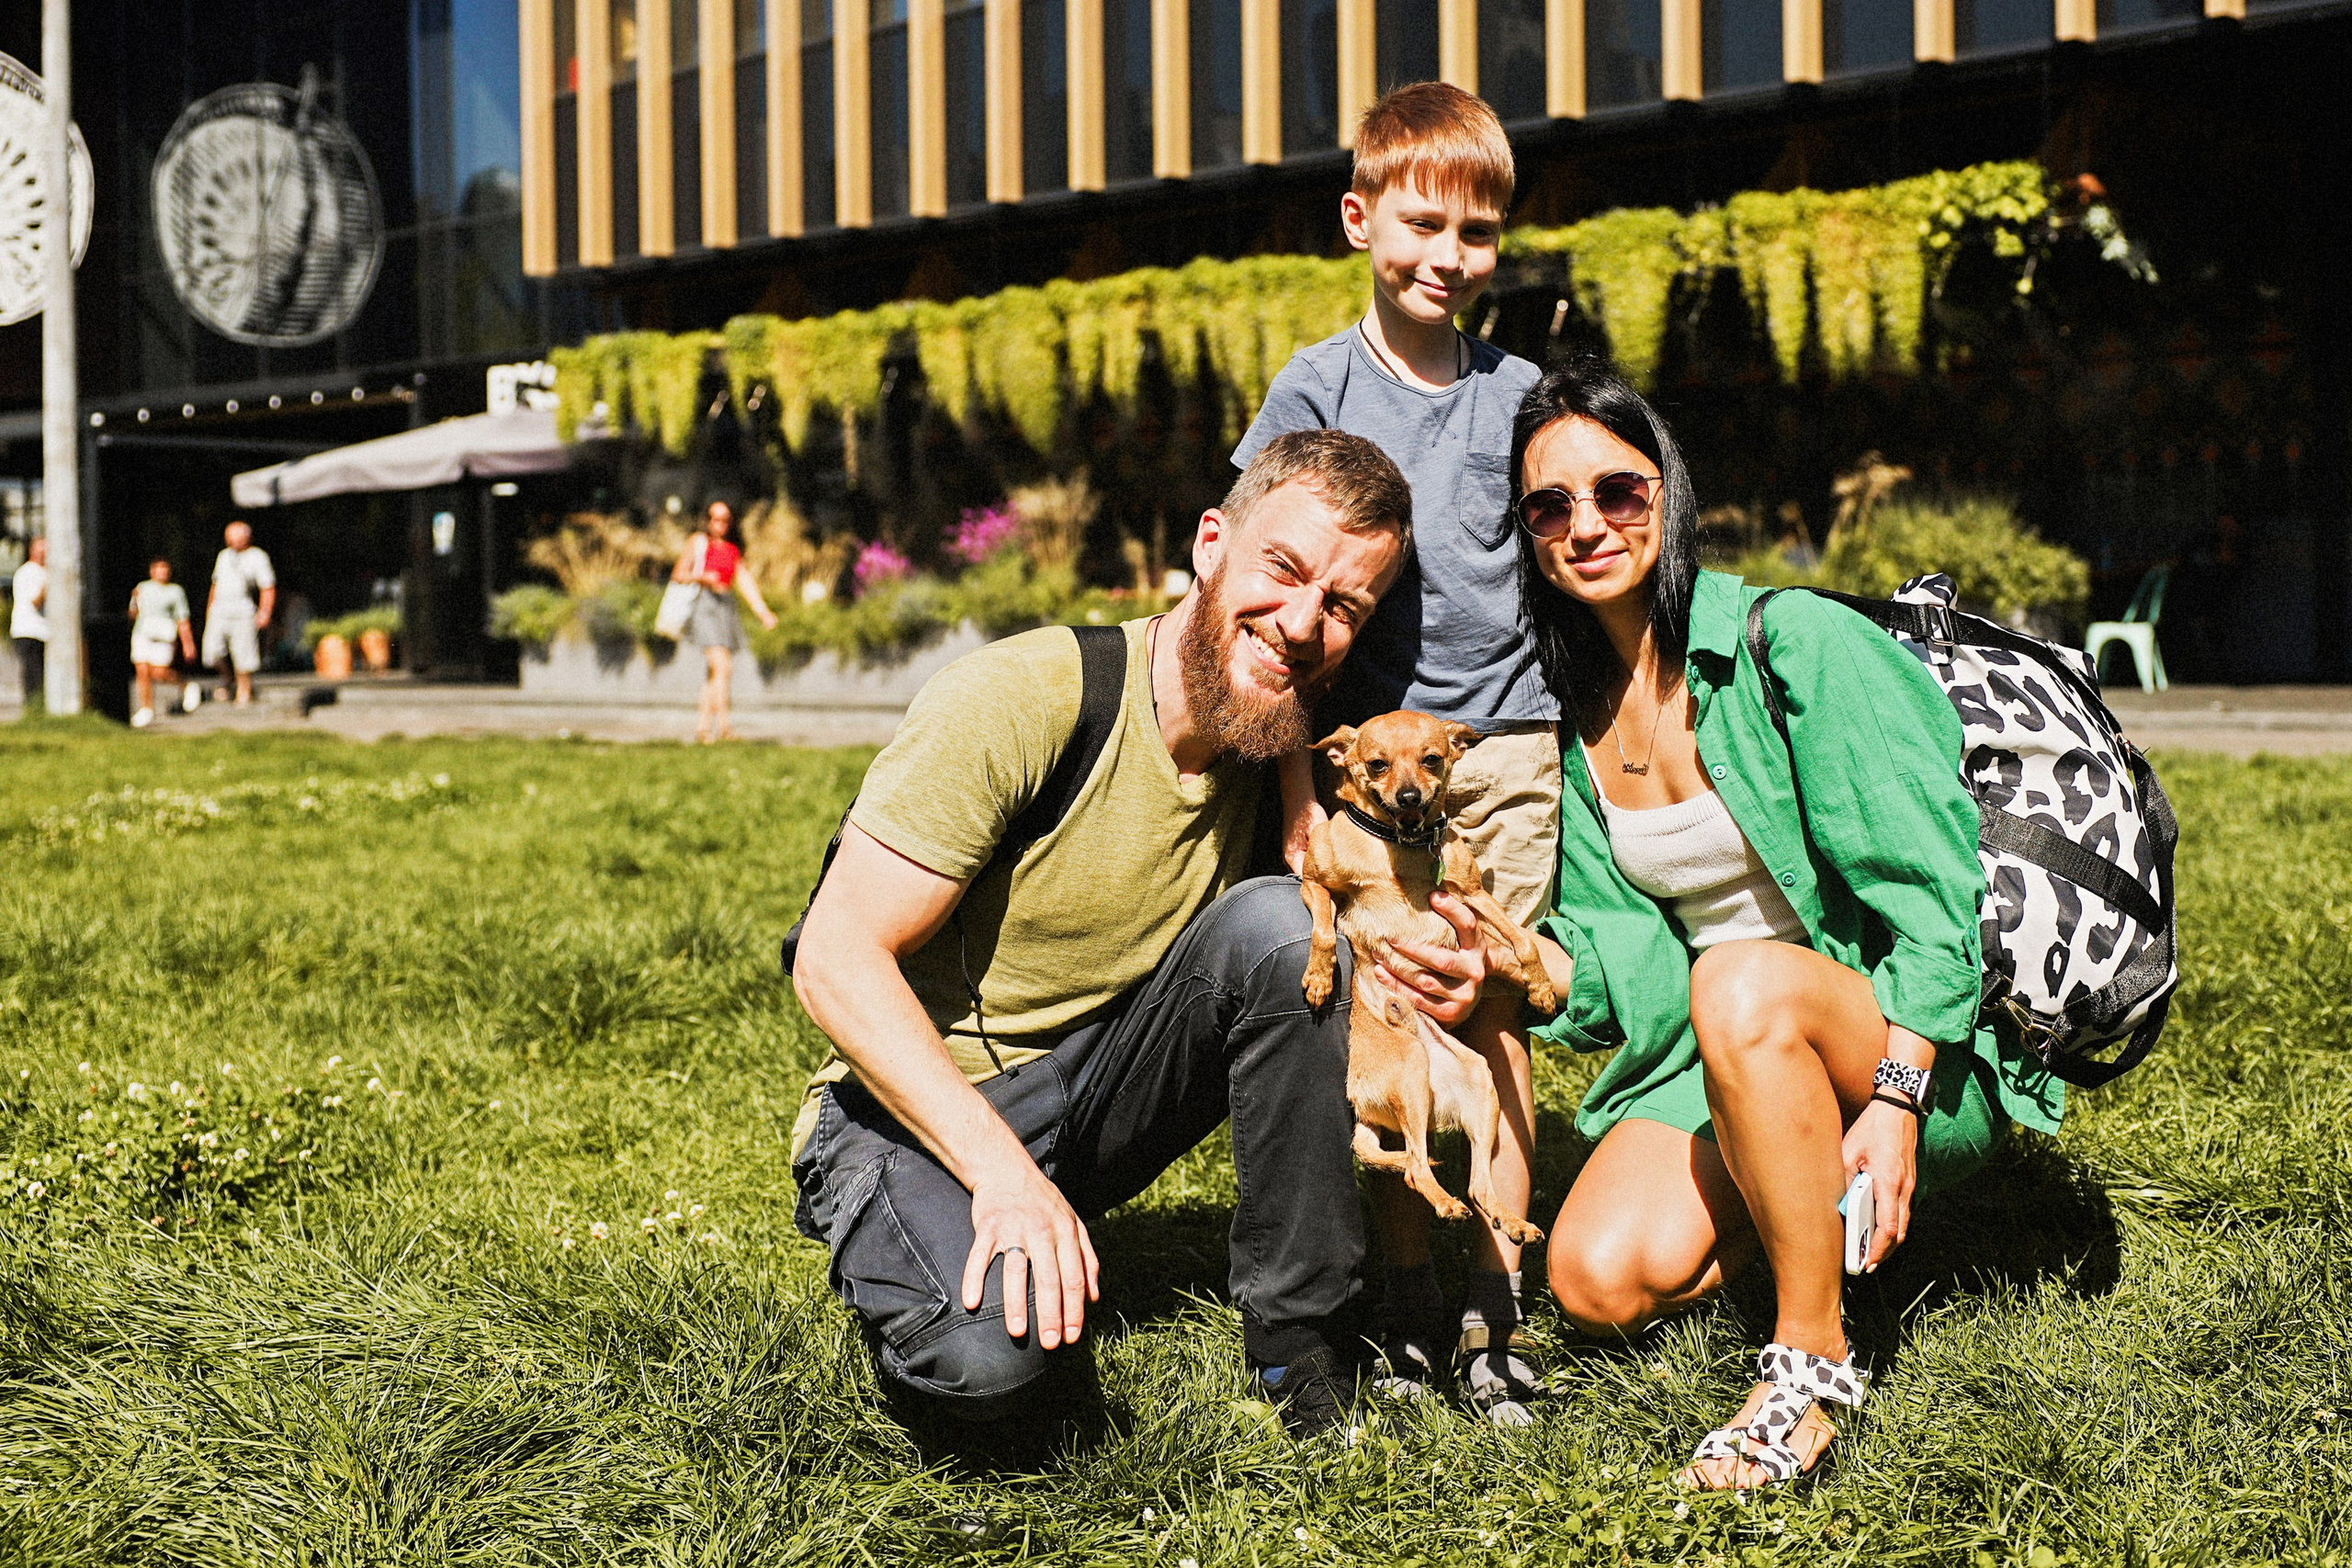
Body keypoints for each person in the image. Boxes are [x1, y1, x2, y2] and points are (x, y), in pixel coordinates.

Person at [1487, 358, 2063, 1487]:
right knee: (1593, 1281)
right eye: (1549, 506)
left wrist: (1896, 1101)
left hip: (1900, 1046)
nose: (1586, 525)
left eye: (1618, 491)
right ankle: (1787, 1195)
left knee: (1741, 979)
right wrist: (1517, 963)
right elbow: (1634, 964)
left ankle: (1810, 1357)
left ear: (1669, 493)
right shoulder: (1578, 723)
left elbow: (1936, 900)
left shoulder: (1787, 641)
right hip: (1730, 1048)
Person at [789, 431, 1411, 1438]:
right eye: (1282, 570)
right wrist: (999, 1173)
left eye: (1342, 607)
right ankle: (931, 1232)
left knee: (1279, 929)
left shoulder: (1272, 748)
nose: (1301, 623)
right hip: (910, 1110)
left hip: (1097, 1095)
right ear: (1211, 543)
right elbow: (832, 958)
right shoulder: (1024, 697)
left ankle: (1305, 1348)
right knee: (995, 1366)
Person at [1229, 80, 1554, 1424]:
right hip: (1363, 775)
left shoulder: (1521, 390)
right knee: (1387, 1015)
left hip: (1507, 752)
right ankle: (1409, 1294)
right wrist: (1303, 798)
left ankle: (1497, 1308)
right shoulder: (1319, 383)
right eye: (1423, 222)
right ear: (1361, 219)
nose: (1448, 256)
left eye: (1477, 233)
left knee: (1484, 1006)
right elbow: (1264, 578)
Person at [672, 500, 778, 743]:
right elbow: (678, 573)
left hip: (725, 608)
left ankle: (703, 728)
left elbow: (745, 582)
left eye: (725, 519)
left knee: (714, 673)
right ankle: (725, 726)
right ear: (707, 520)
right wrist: (703, 577)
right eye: (715, 518)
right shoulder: (698, 543)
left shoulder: (731, 550)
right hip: (705, 606)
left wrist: (763, 612)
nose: (719, 524)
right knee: (723, 667)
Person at [204, 521, 276, 706]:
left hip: (242, 610)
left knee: (243, 653)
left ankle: (244, 692)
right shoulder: (223, 556)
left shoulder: (257, 556)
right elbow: (215, 584)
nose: (233, 541)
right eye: (230, 537)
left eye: (237, 536)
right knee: (212, 652)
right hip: (219, 610)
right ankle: (228, 678)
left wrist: (264, 611)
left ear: (247, 537)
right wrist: (209, 610)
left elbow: (267, 586)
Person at [129, 557, 196, 728]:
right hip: (143, 634)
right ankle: (146, 708)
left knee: (159, 673)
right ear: (152, 571)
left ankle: (185, 684)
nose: (162, 572)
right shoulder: (142, 588)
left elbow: (182, 619)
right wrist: (134, 601)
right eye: (158, 569)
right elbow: (133, 614)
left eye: (165, 569)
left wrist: (188, 644)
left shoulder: (175, 591)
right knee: (142, 670)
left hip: (164, 636)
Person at [12, 536, 46, 714]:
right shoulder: (27, 572)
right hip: (28, 630)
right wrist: (49, 586)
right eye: (41, 548)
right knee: (33, 674)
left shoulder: (45, 571)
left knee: (41, 674)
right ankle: (33, 708)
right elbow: (35, 601)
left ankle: (39, 707)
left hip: (43, 632)